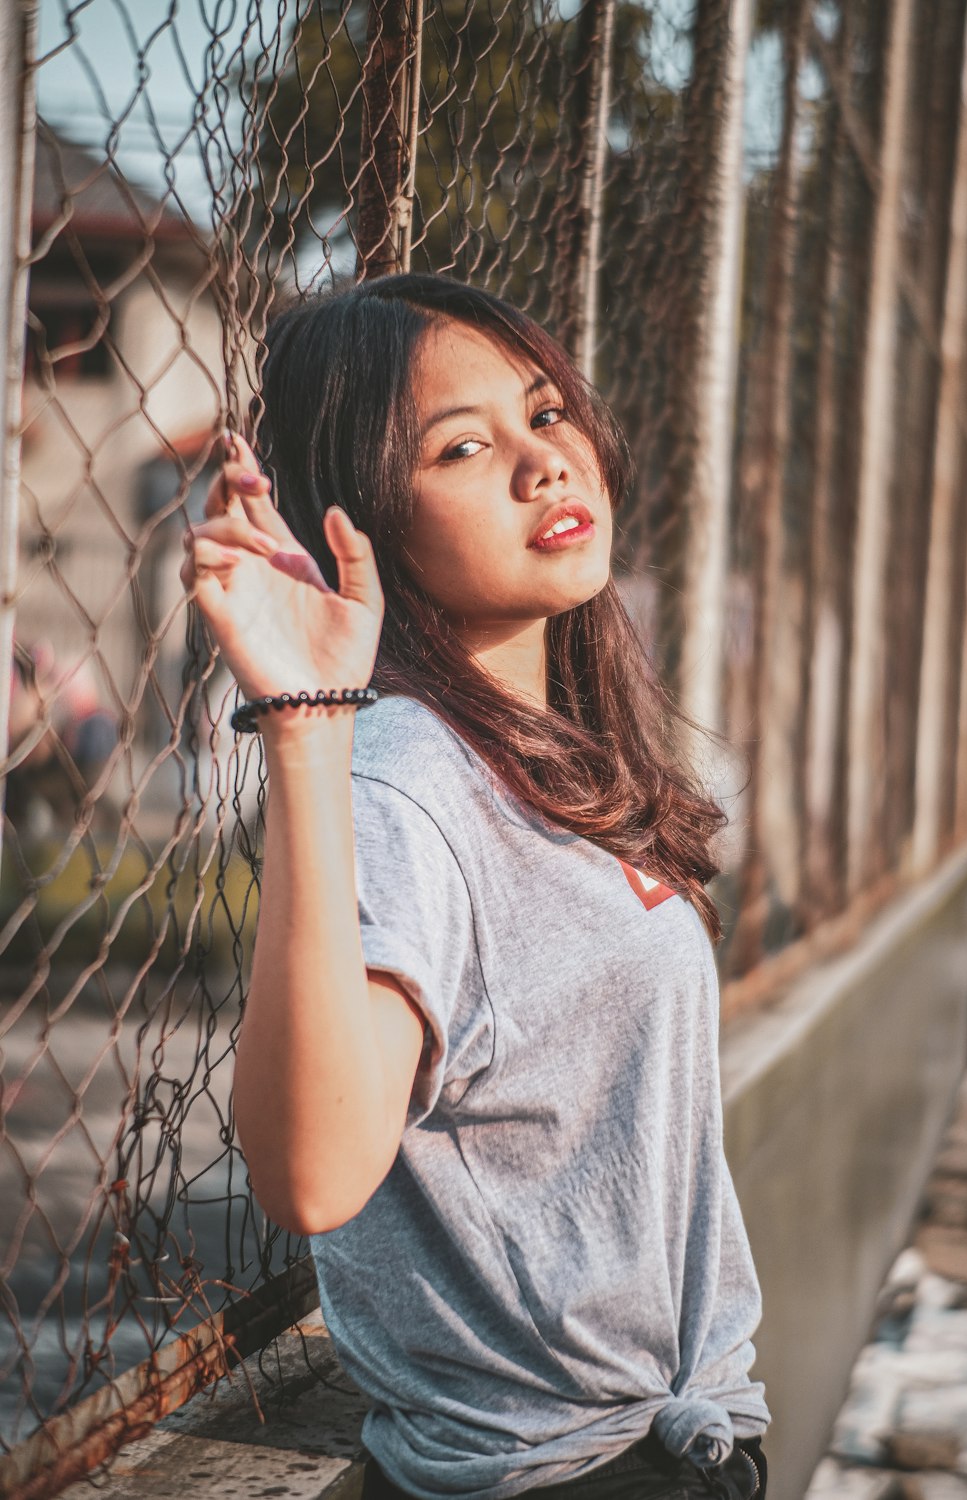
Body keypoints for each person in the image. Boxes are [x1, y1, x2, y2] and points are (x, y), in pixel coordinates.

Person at [181, 274, 770, 1500]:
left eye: (546, 415)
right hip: (553, 1475)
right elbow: (309, 1174)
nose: (542, 463)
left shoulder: (555, 751)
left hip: (671, 1438)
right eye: (463, 445)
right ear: (368, 518)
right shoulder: (409, 783)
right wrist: (306, 723)